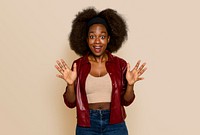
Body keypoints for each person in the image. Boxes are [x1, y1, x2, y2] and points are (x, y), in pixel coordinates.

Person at [55, 7, 147, 135]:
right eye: (92, 36)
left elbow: (127, 101)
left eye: (102, 36)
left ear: (109, 39)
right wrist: (71, 84)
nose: (97, 41)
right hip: (87, 123)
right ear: (86, 39)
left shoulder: (120, 64)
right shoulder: (78, 65)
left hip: (115, 123)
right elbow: (71, 103)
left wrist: (130, 85)